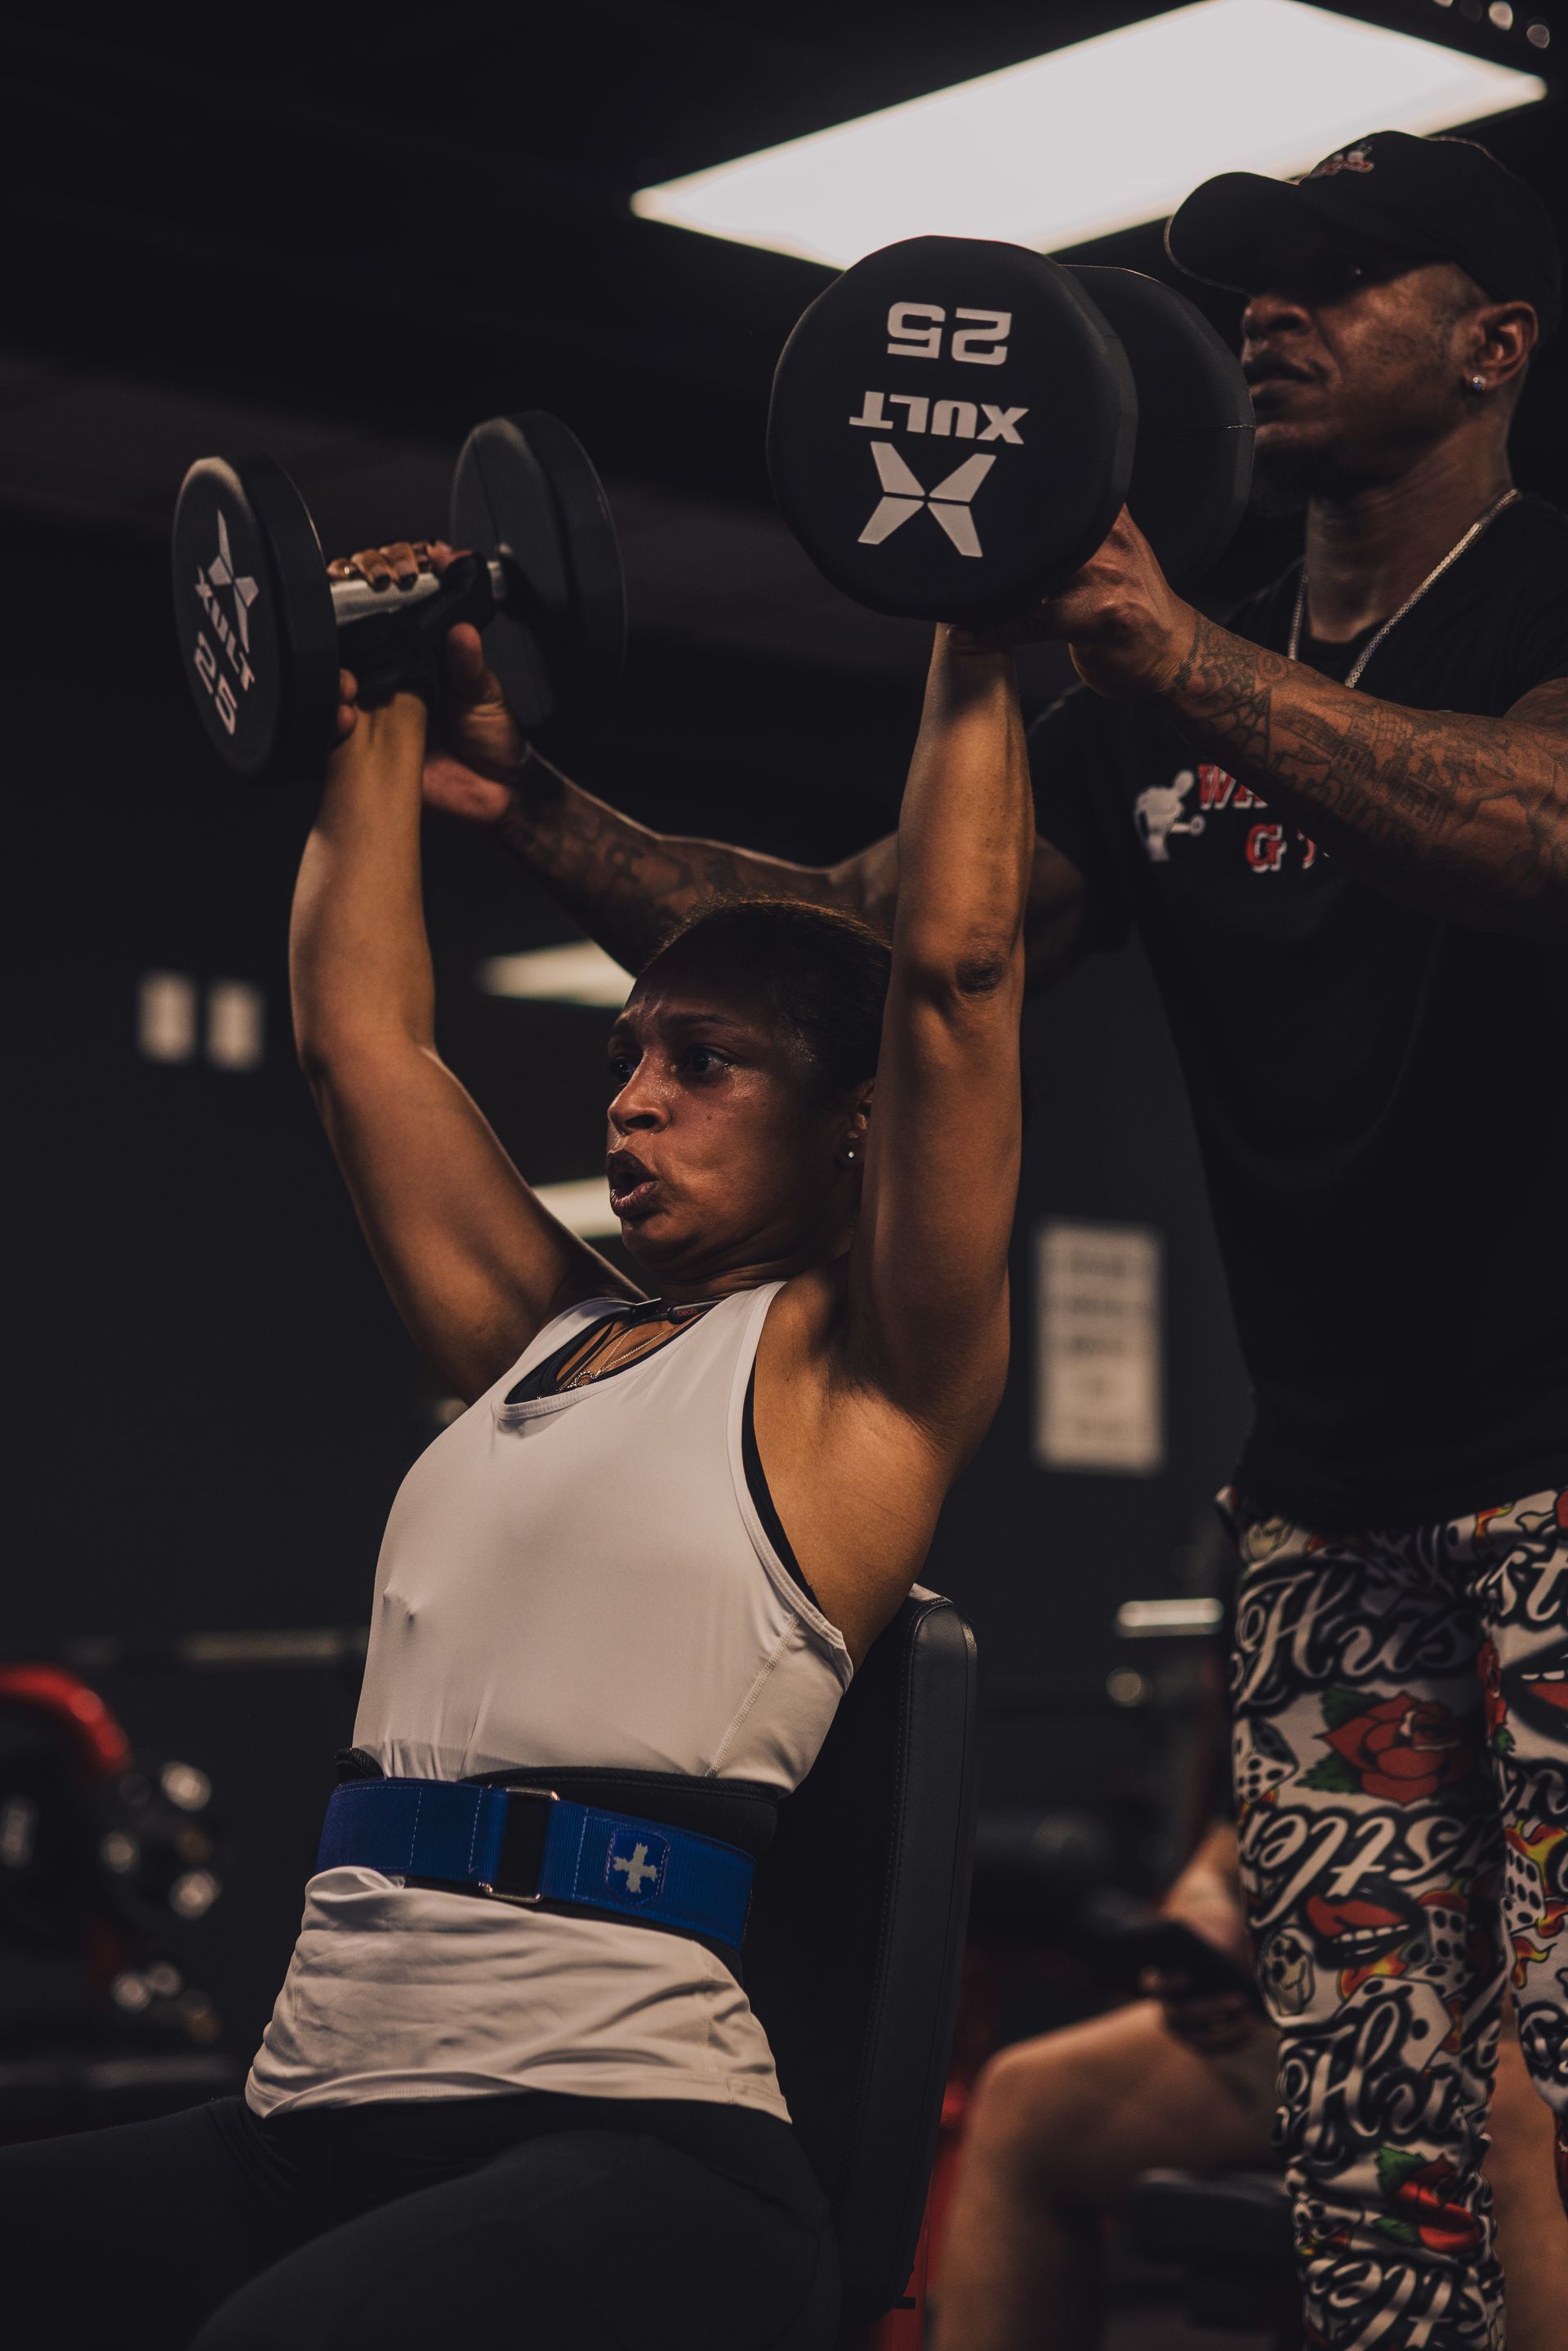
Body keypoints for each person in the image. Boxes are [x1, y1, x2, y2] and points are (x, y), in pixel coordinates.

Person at [425, 131, 1568, 2350]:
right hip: (1332, 1506)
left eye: (1345, 277)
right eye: (1255, 278)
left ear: (1496, 344)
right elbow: (858, 949)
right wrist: (531, 805)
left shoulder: (1509, 610)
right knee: (1372, 2148)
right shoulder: (1152, 697)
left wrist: (1170, 664)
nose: (1274, 309)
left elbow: (1538, 830)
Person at [0, 576, 1033, 2346]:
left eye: (699, 1062)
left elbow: (950, 973)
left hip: (639, 2141)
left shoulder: (858, 1377)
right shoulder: (532, 1337)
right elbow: (362, 1043)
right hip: (312, 2114)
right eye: (628, 1053)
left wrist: (976, 604)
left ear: (853, 1116)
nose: (627, 1099)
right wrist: (375, 710)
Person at [931, 1824, 1568, 2351]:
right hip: (1354, 2019)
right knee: (1030, 2101)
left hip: (1523, 2031)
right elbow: (1227, 1852)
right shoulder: (1340, 1674)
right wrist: (1207, 1916)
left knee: (1510, 2107)